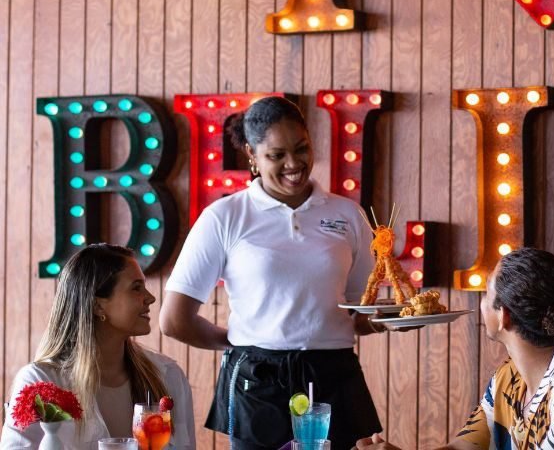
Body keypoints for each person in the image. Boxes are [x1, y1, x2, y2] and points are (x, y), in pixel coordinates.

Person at [160, 95, 385, 450]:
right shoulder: (225, 216)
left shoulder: (348, 215)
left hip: (334, 377)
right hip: (257, 382)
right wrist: (239, 342)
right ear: (251, 155)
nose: (293, 164)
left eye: (301, 149)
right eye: (276, 155)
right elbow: (174, 320)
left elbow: (358, 315)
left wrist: (397, 318)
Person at [356, 247, 554, 450]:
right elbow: (465, 446)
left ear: (503, 315)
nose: (481, 302)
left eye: (486, 293)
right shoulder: (510, 377)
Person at [1, 244, 195, 448]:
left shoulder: (168, 375)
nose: (151, 297)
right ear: (97, 305)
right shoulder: (40, 382)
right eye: (136, 287)